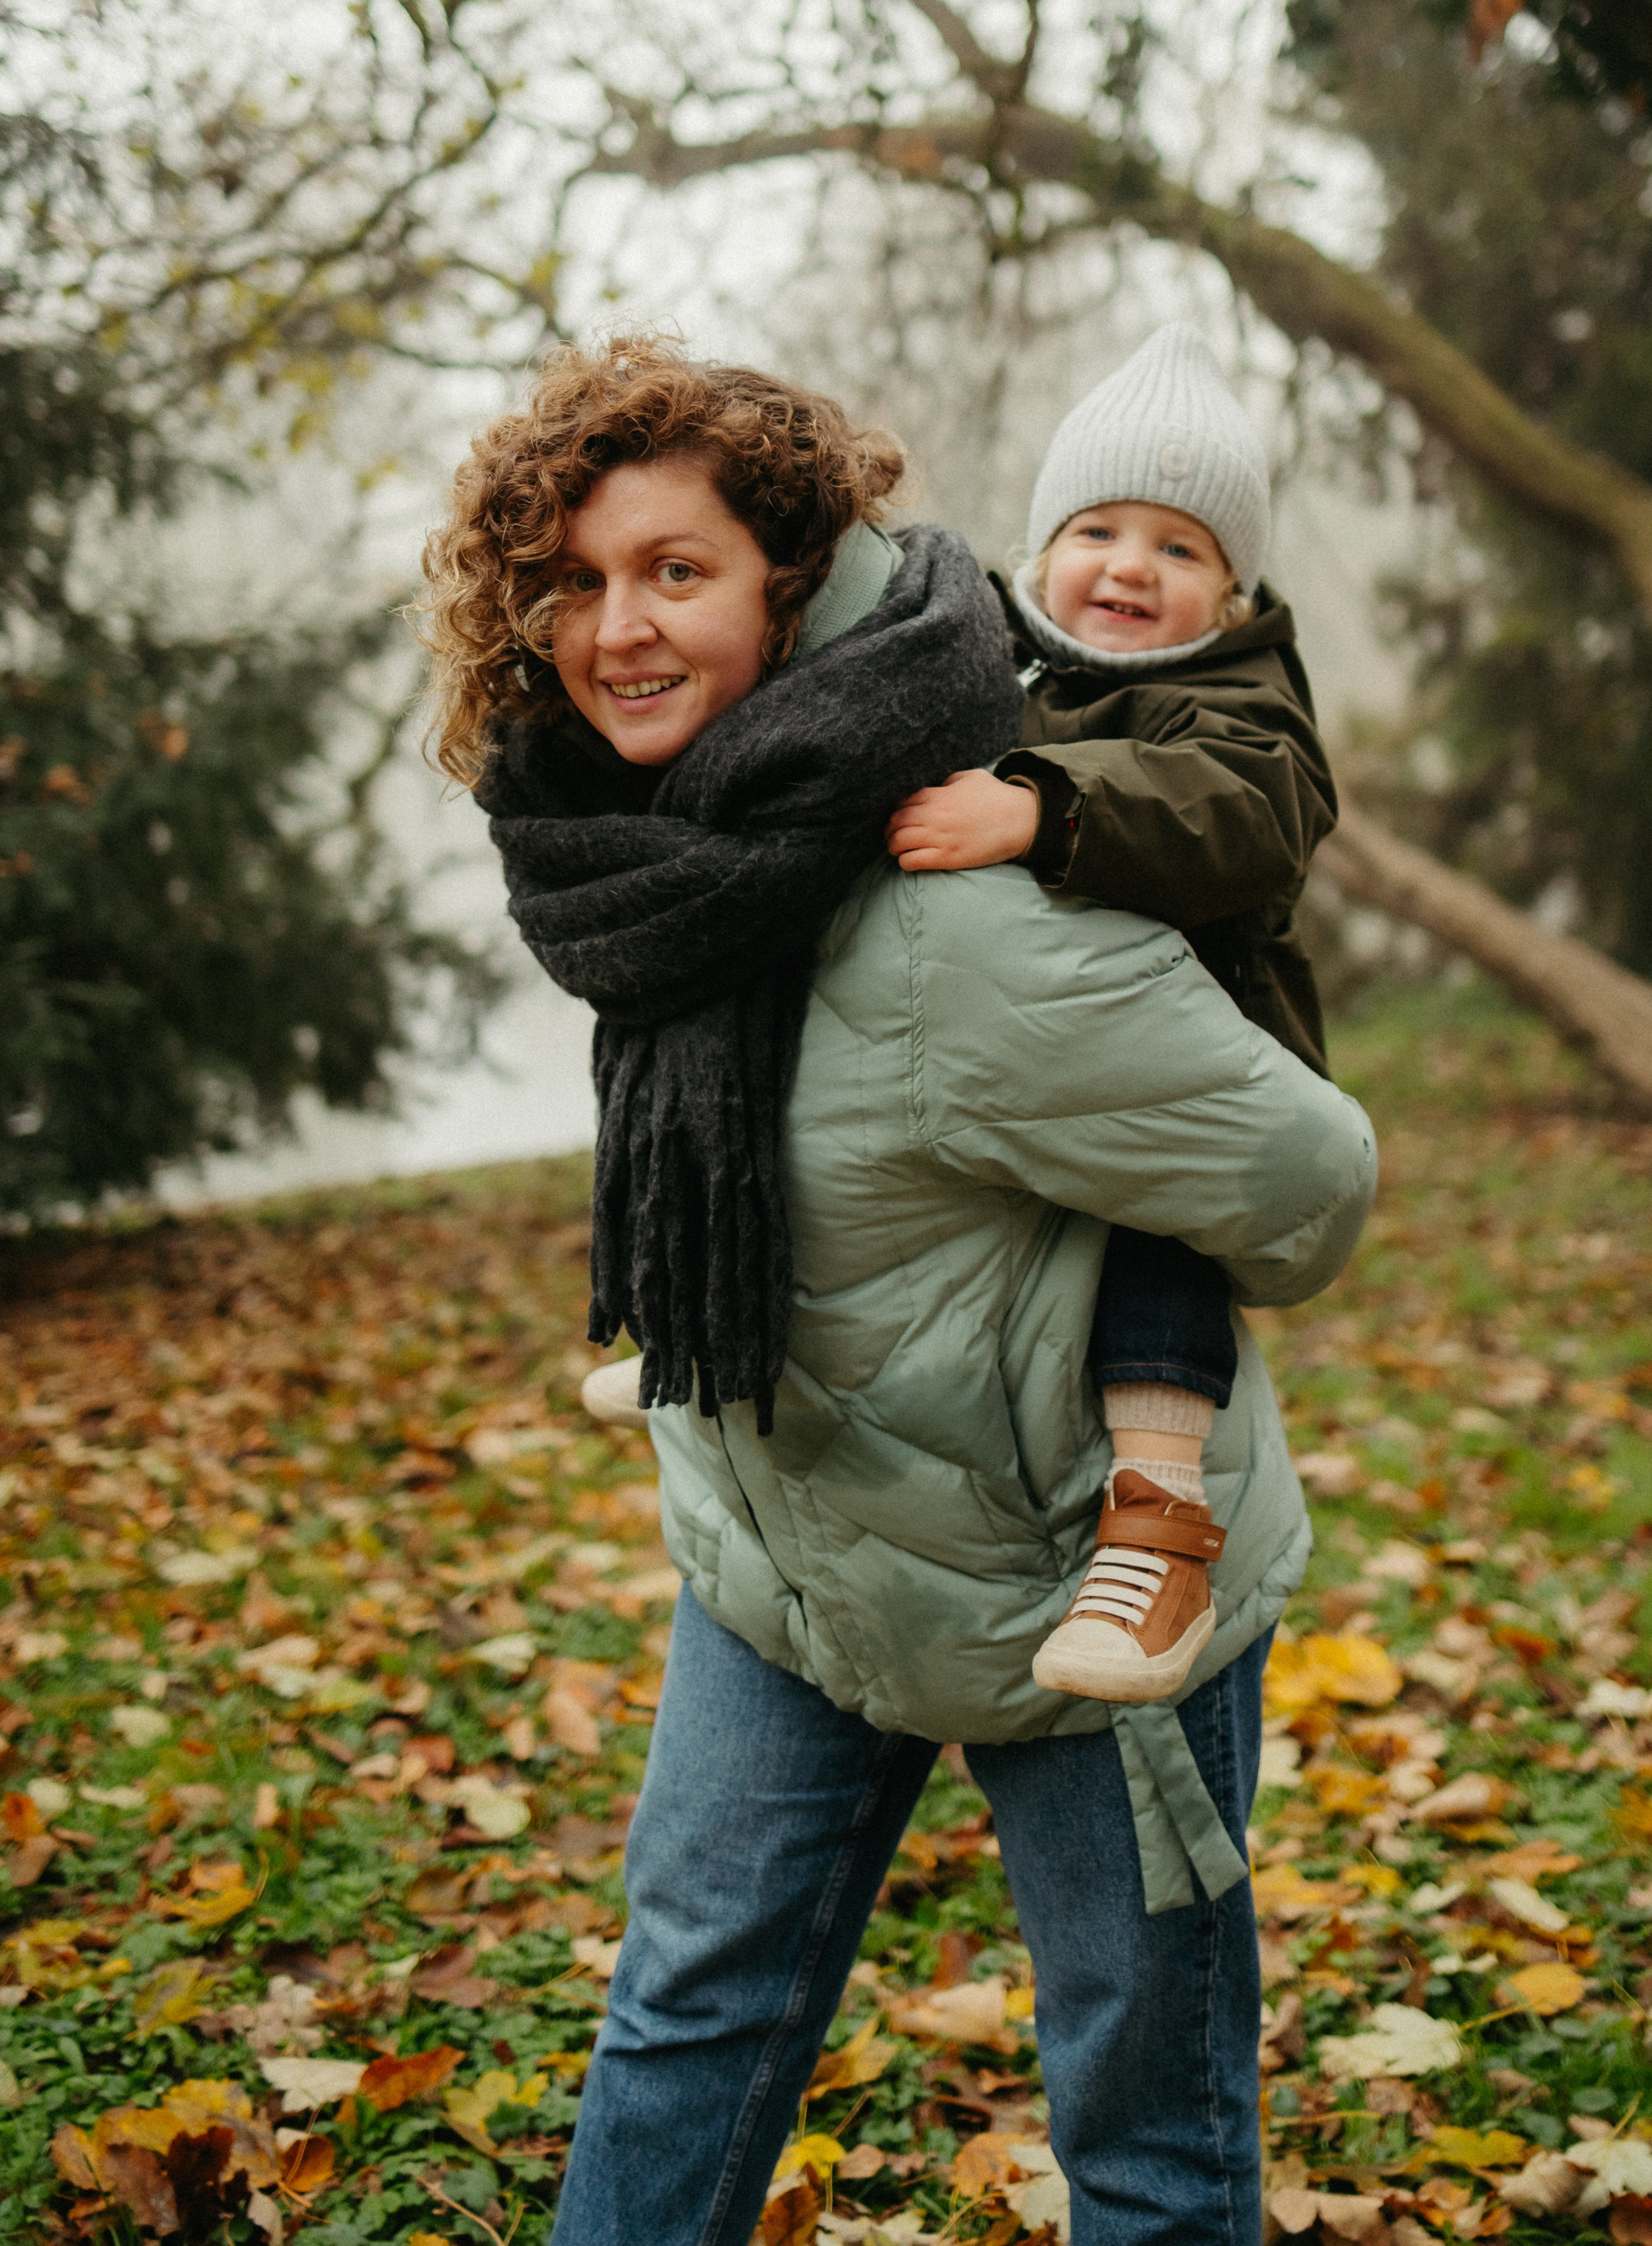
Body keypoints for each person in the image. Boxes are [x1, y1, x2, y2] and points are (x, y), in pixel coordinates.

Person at [422, 336, 1376, 2246]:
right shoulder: (675, 842)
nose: (615, 628)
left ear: (782, 580)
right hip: (784, 1558)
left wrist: (1130, 1301)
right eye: (576, 583)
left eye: (672, 572)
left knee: (1145, 2140)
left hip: (1076, 1595)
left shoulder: (958, 902)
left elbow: (1307, 1189)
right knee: (683, 2031)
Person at [883, 322, 1337, 1705]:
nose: (1131, 566)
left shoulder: (1243, 707)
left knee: (1154, 1244)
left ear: (1230, 590)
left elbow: (1245, 821)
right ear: (1039, 547)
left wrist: (1044, 803)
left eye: (1179, 547)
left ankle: (1157, 1523)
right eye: (1097, 528)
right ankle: (722, 1326)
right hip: (990, 1048)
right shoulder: (977, 668)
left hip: (1180, 1062)